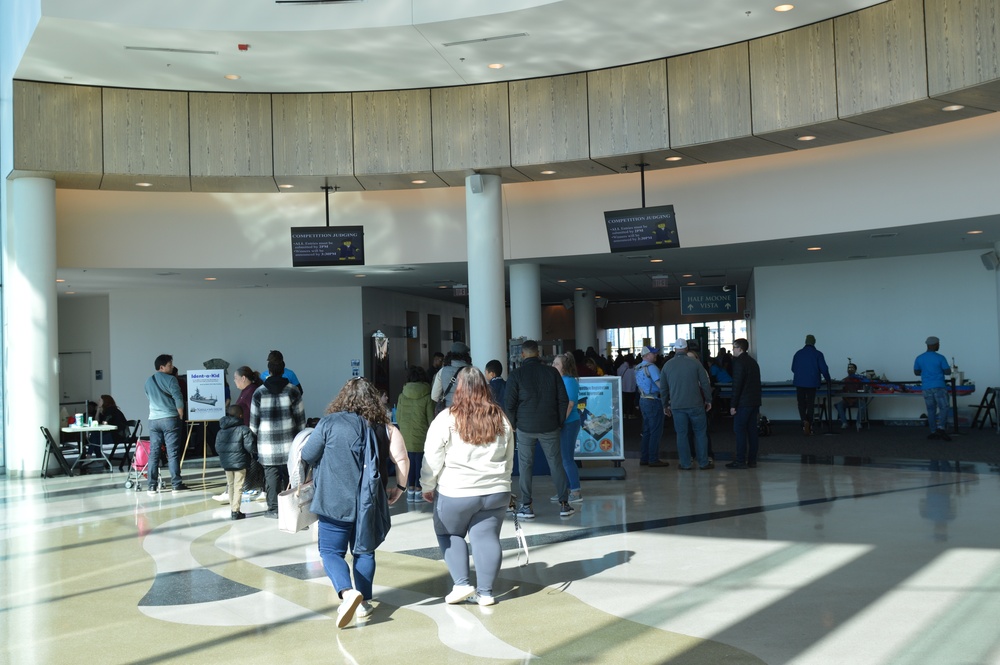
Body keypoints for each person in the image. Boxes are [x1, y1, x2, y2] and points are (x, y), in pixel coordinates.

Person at [301, 377, 408, 627]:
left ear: (343, 398)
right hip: (369, 501)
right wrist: (400, 488)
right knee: (364, 550)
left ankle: (348, 593)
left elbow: (307, 455)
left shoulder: (329, 423)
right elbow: (401, 459)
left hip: (333, 501)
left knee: (330, 551)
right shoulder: (385, 428)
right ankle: (363, 602)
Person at [421, 366, 515, 607]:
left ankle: (461, 584)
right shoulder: (500, 417)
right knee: (487, 538)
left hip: (456, 492)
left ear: (459, 389)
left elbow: (432, 457)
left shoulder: (447, 417)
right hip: (496, 492)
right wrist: (505, 483)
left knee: (448, 533)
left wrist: (427, 485)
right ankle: (485, 593)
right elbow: (509, 457)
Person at [504, 339, 573, 519]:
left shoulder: (516, 375)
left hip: (525, 427)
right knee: (556, 464)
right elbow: (563, 400)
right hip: (550, 425)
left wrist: (514, 425)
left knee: (525, 466)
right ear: (539, 353)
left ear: (523, 355)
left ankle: (527, 506)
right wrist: (559, 422)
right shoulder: (551, 373)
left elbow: (509, 404)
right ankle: (564, 504)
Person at [250, 358, 306, 517]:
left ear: (269, 370)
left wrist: (255, 438)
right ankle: (291, 507)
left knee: (271, 475)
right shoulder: (293, 390)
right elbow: (301, 421)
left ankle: (274, 509)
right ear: (283, 370)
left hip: (267, 444)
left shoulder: (259, 392)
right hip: (289, 442)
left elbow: (253, 424)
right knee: (290, 475)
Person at [660, 338, 714, 470]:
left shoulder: (667, 365)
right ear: (686, 349)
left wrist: (665, 405)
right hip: (696, 404)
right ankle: (703, 462)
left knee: (682, 434)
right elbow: (705, 383)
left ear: (675, 349)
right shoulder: (695, 363)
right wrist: (708, 400)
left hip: (677, 406)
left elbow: (663, 388)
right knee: (700, 433)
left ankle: (685, 463)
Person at [144, 354, 188, 494]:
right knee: (173, 453)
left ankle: (151, 486)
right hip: (170, 419)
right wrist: (180, 414)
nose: (172, 367)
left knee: (154, 453)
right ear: (161, 367)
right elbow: (178, 398)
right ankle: (176, 484)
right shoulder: (171, 379)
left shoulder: (148, 381)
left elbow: (148, 397)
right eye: (170, 365)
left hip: (153, 420)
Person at [395, 365, 434, 501]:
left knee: (408, 461)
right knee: (421, 462)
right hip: (422, 434)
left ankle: (409, 489)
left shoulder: (402, 395)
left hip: (406, 434)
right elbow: (431, 419)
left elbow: (398, 417)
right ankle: (419, 490)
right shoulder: (427, 396)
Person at [215, 404, 257, 520]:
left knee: (231, 485)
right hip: (240, 462)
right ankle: (235, 511)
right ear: (240, 415)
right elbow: (250, 447)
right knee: (238, 486)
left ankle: (233, 508)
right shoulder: (244, 429)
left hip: (226, 463)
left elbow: (217, 448)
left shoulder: (221, 431)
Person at [551, 352, 583, 503]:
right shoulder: (561, 380)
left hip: (569, 424)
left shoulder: (568, 381)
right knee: (563, 459)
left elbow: (569, 404)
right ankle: (566, 491)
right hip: (565, 423)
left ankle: (575, 492)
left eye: (556, 364)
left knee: (567, 459)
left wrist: (560, 422)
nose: (553, 366)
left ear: (564, 367)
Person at [726, 338, 761, 469]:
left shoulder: (739, 363)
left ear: (739, 348)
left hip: (743, 403)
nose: (732, 350)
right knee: (752, 432)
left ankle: (740, 460)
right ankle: (752, 460)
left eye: (734, 347)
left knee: (739, 431)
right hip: (754, 402)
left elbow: (737, 386)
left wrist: (733, 405)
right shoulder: (753, 362)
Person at [635, 345, 669, 467]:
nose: (656, 355)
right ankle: (653, 459)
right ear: (647, 355)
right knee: (655, 431)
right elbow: (660, 385)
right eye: (653, 353)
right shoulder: (652, 368)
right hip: (654, 400)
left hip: (643, 400)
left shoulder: (638, 368)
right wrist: (668, 399)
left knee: (647, 430)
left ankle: (644, 458)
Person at [791, 334, 831, 435]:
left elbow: (793, 368)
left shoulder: (798, 353)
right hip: (812, 383)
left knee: (801, 404)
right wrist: (828, 380)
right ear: (814, 342)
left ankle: (804, 421)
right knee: (810, 404)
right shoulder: (818, 354)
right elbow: (824, 369)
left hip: (799, 383)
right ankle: (810, 424)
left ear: (805, 342)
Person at [914, 336, 952, 441]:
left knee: (931, 410)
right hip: (939, 386)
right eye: (938, 344)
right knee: (944, 407)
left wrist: (927, 372)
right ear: (934, 344)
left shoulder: (919, 358)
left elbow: (916, 372)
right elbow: (948, 372)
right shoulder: (940, 357)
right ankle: (941, 428)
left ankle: (933, 431)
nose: (939, 345)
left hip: (926, 387)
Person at [431, 342, 471, 411]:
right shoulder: (473, 372)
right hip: (468, 411)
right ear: (467, 356)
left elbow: (434, 396)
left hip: (449, 411)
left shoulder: (442, 371)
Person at [834, 363, 868, 430]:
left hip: (857, 400)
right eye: (849, 368)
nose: (850, 370)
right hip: (847, 400)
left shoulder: (860, 380)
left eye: (852, 369)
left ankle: (858, 423)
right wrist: (848, 400)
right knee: (839, 405)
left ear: (855, 370)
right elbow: (842, 393)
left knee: (863, 405)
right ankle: (844, 423)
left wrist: (854, 400)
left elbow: (861, 392)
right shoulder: (844, 380)